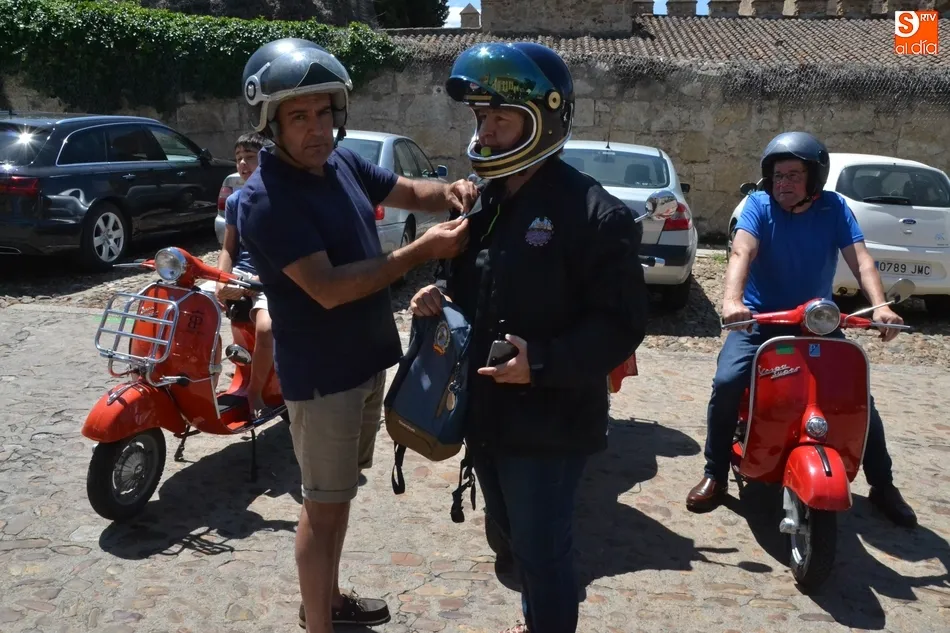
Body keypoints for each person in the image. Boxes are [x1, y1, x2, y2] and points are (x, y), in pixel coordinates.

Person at [235, 38, 477, 632]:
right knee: (321, 510)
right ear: (271, 124)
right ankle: (319, 621)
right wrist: (420, 251)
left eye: (323, 112)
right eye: (299, 117)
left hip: (363, 364)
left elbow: (405, 190)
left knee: (337, 499)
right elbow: (328, 288)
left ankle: (327, 601)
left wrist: (451, 192)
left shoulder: (338, 163)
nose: (316, 128)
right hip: (324, 380)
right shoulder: (267, 200)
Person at [409, 42, 650, 633]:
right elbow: (470, 290)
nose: (486, 131)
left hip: (550, 423)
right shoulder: (485, 202)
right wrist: (435, 301)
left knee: (544, 554)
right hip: (485, 413)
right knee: (510, 538)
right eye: (480, 116)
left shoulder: (596, 214)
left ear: (542, 119)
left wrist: (540, 361)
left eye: (501, 117)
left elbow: (621, 325)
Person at [685, 131, 918, 529]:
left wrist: (880, 306)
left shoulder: (834, 208)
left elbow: (861, 260)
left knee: (857, 396)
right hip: (759, 322)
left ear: (815, 178)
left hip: (816, 322)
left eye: (793, 175)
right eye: (778, 175)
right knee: (727, 382)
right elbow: (742, 251)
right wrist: (733, 302)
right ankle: (715, 473)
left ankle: (883, 485)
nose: (783, 183)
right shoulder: (758, 205)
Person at [207, 131, 273, 417]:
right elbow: (228, 248)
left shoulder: (280, 200)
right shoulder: (235, 202)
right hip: (238, 274)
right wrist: (221, 281)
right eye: (238, 158)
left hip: (268, 279)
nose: (243, 164)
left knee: (265, 328)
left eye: (250, 157)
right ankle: (205, 387)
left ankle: (255, 392)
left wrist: (252, 286)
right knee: (192, 311)